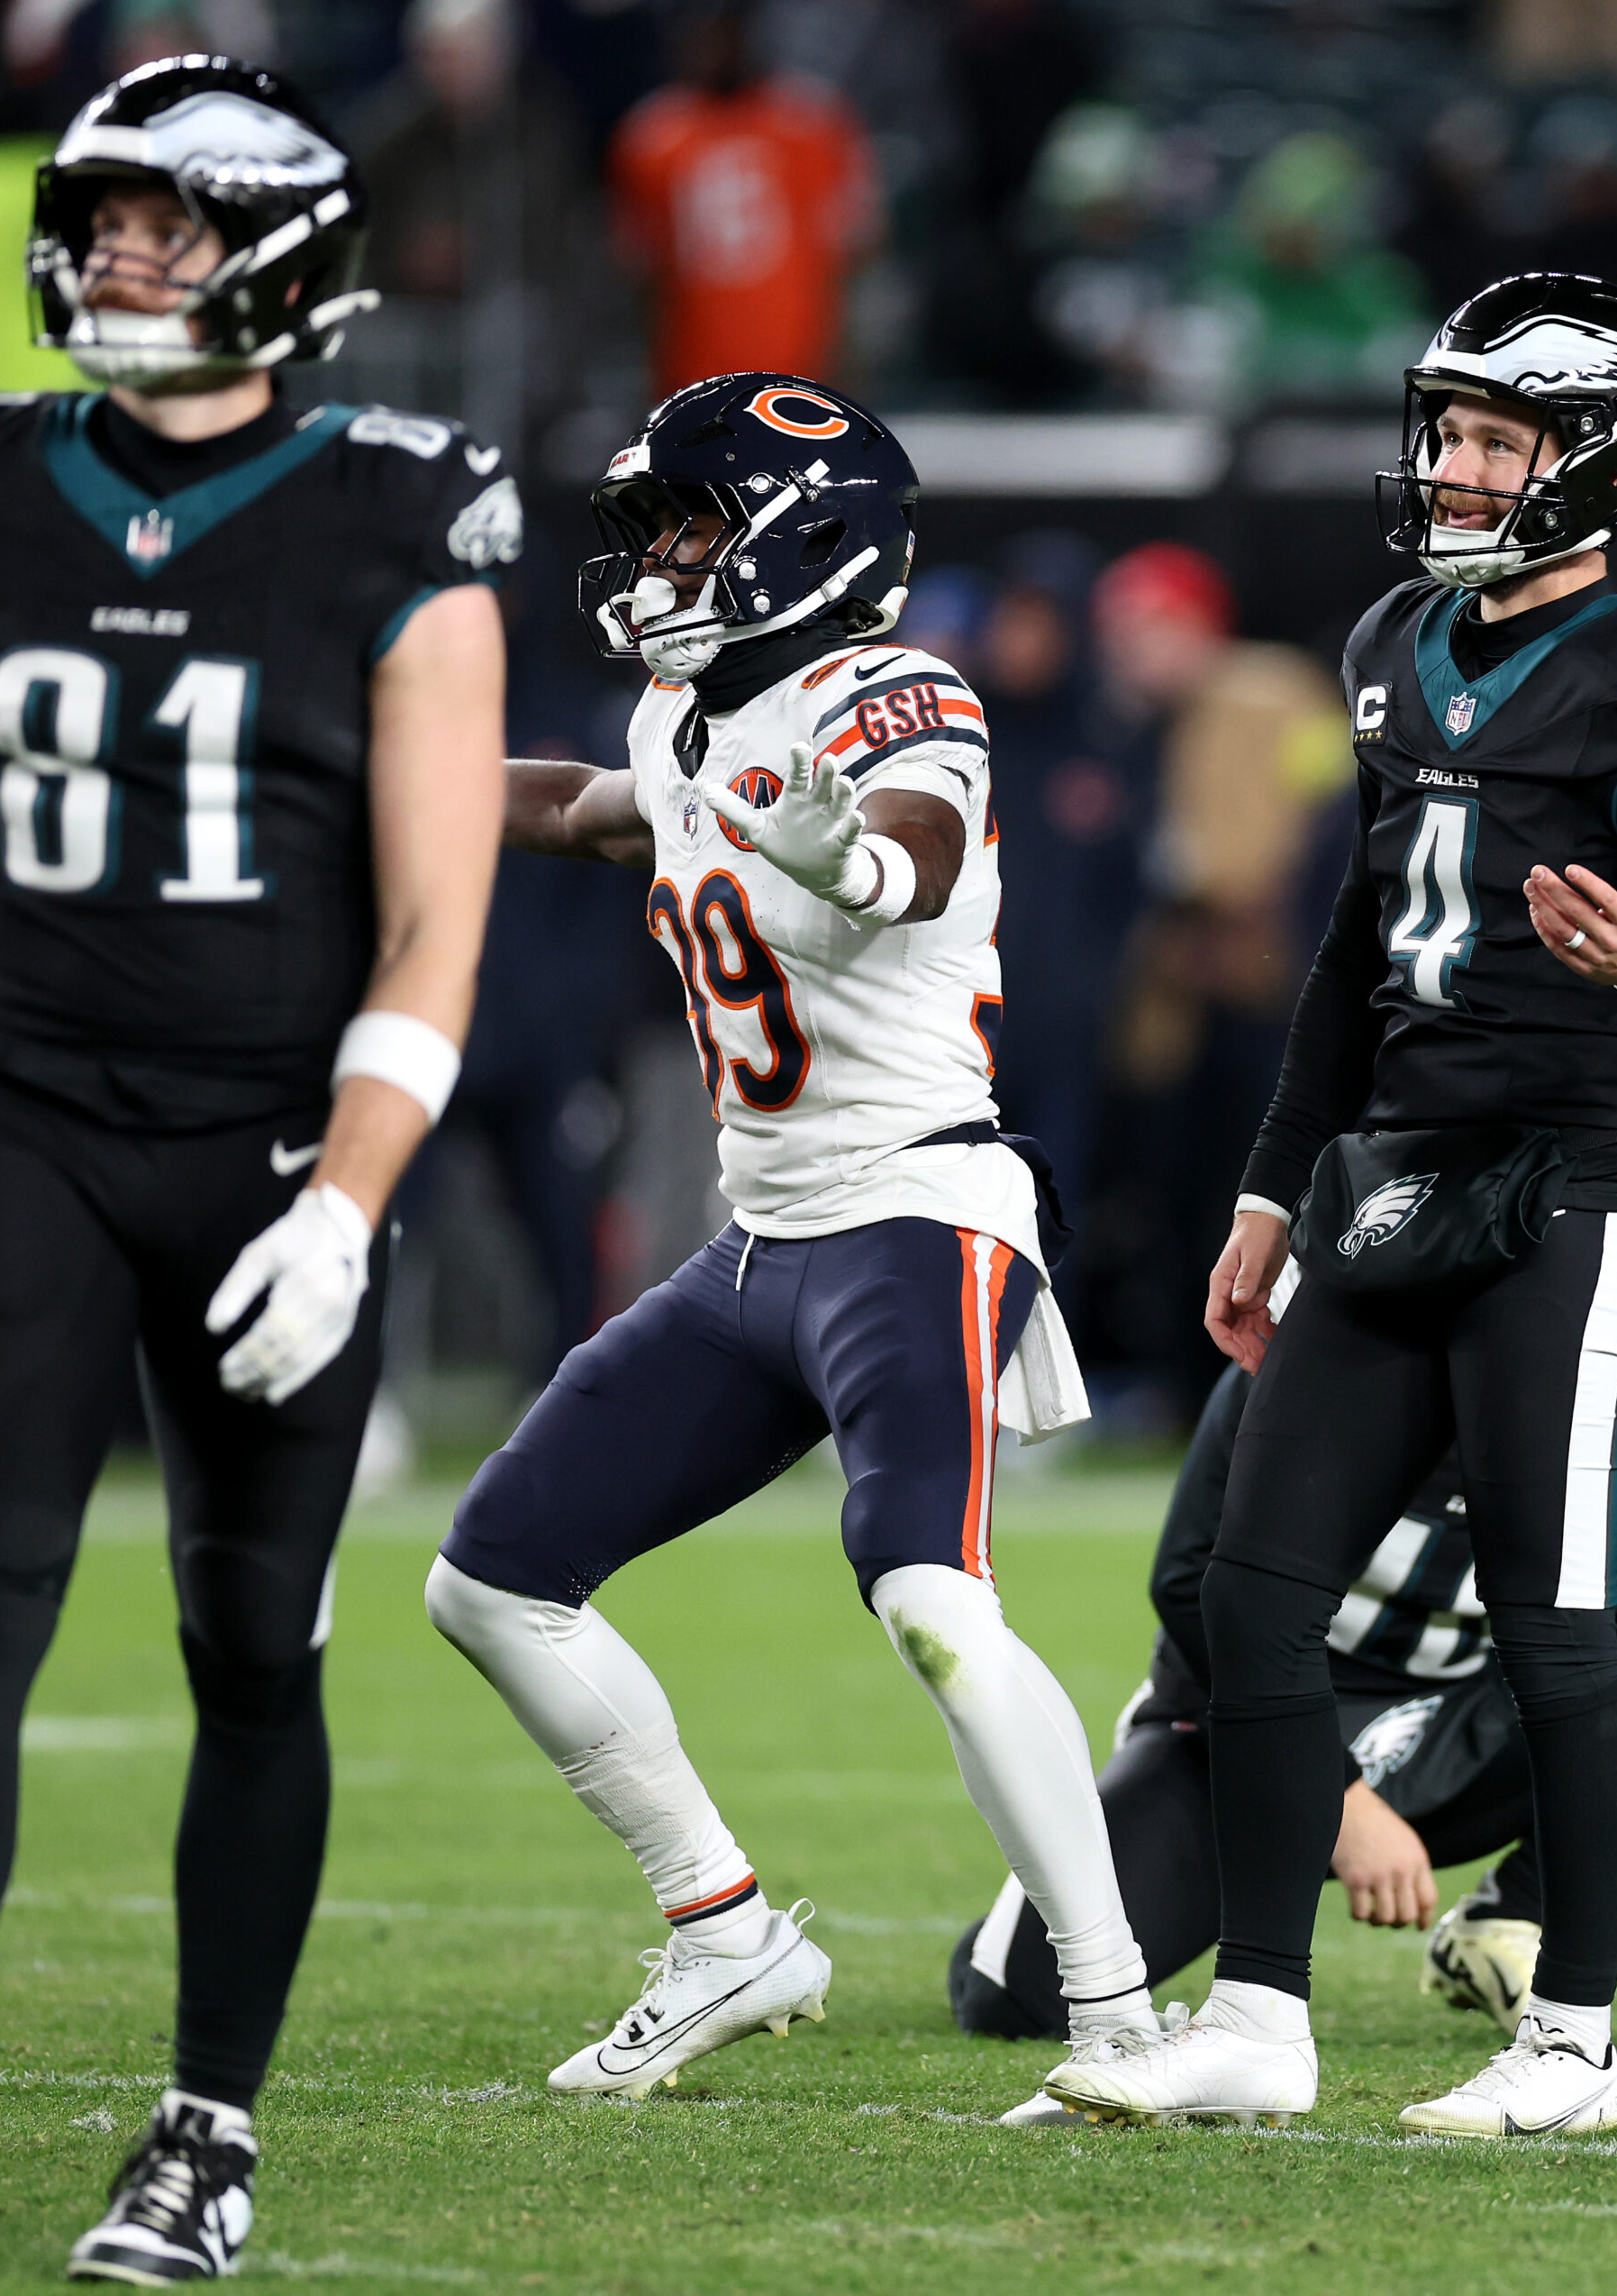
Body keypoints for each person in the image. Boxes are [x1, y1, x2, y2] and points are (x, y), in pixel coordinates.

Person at [0, 57, 513, 2284]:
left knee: (253, 1643)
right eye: (108, 216)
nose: (118, 255)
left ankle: (206, 2133)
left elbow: (434, 917)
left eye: (166, 221)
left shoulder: (402, 512)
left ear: (278, 256)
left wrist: (350, 1199)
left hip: (270, 1144)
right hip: (23, 1114)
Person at [1044, 273, 1617, 2139]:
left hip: (1570, 1187)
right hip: (1388, 1179)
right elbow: (1350, 960)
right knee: (1253, 1592)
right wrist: (1268, 1187)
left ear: (1595, 463)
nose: (1447, 465)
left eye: (1486, 438)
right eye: (1442, 431)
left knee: (1549, 1624)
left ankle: (1570, 2045)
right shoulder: (1393, 639)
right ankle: (1261, 2018)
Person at [422, 368, 1159, 2125]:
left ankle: (1122, 2012)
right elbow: (581, 808)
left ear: (797, 540)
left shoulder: (887, 688)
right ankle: (724, 1926)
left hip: (913, 1205)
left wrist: (849, 849)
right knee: (490, 1576)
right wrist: (379, 762)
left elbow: (907, 845)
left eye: (687, 523)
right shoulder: (691, 724)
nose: (657, 561)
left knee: (927, 1591)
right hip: (759, 1244)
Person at [952, 1064, 1617, 2071]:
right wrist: (1339, 1797)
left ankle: (1509, 1917)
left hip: (1465, 1719)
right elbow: (1191, 1582)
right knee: (1010, 1996)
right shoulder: (1350, 1318)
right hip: (1258, 1722)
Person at [606, 0, 879, 396]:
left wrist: (846, 360)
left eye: (721, 29)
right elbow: (637, 271)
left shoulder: (811, 123)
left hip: (799, 367)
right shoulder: (651, 137)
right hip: (691, 374)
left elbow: (855, 254)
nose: (709, 44)